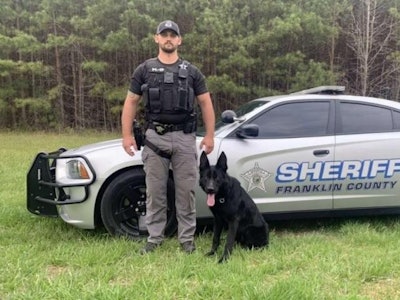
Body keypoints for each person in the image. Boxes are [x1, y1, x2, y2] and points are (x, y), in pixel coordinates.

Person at [121, 20, 215, 254]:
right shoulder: (144, 70)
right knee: (155, 192)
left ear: (179, 40)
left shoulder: (192, 72)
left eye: (173, 35)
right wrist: (126, 136)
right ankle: (154, 238)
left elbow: (205, 102)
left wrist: (210, 135)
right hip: (155, 138)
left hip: (185, 138)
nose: (169, 39)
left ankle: (186, 240)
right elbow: (131, 101)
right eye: (164, 35)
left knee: (186, 193)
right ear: (157, 39)